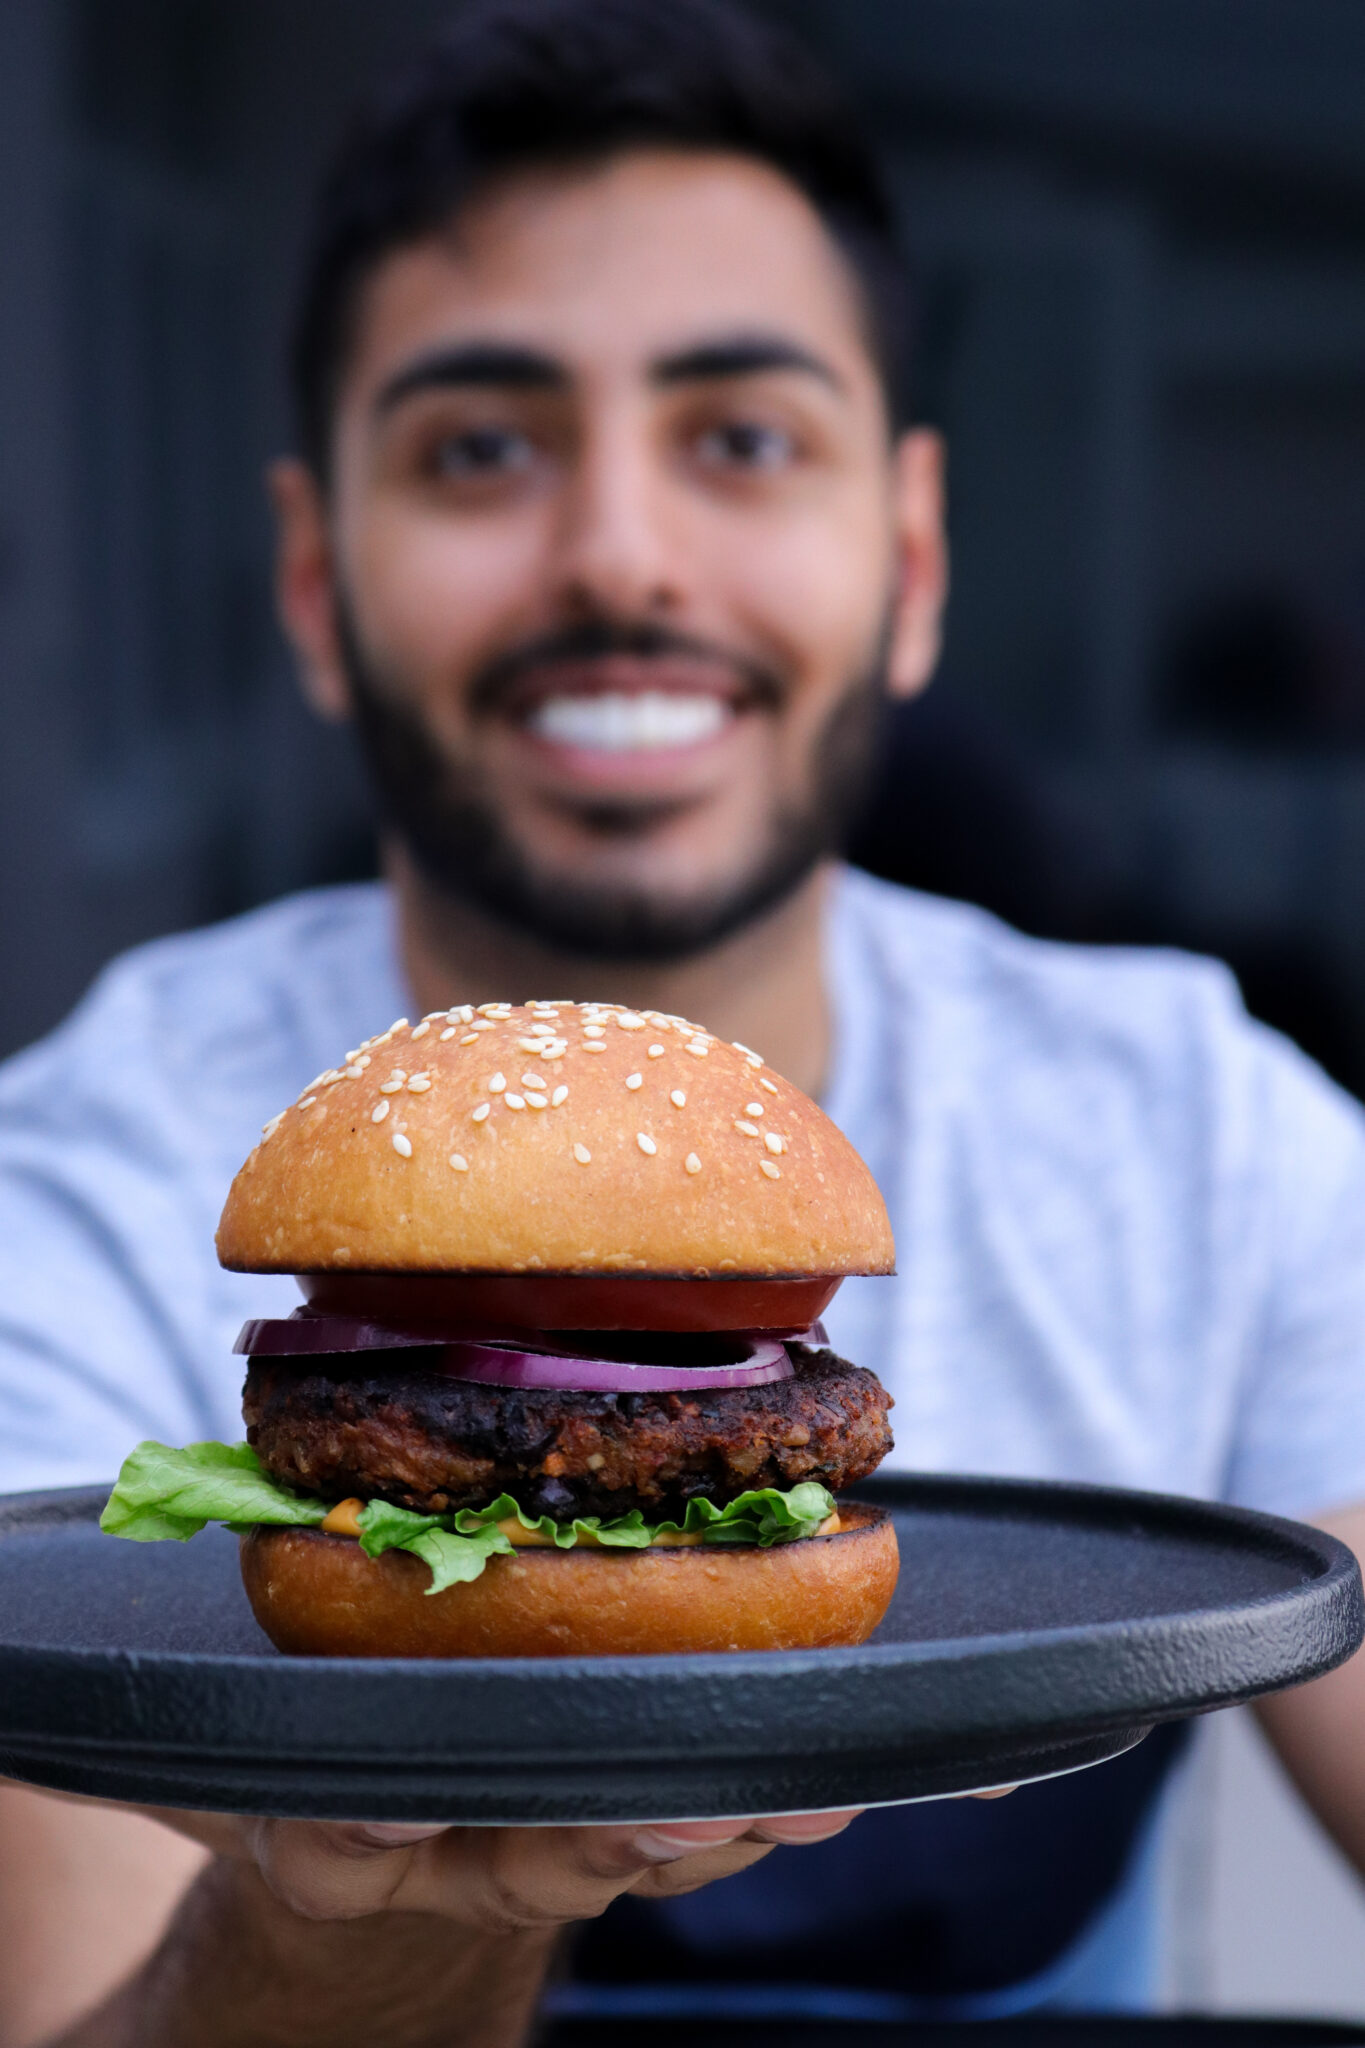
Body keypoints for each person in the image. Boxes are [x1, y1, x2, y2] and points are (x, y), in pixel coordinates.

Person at [1, 1, 1364, 2041]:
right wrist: (365, 1917)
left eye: (738, 435)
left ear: (904, 566)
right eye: (479, 448)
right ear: (313, 585)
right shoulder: (85, 1177)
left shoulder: (1200, 1132)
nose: (619, 556)